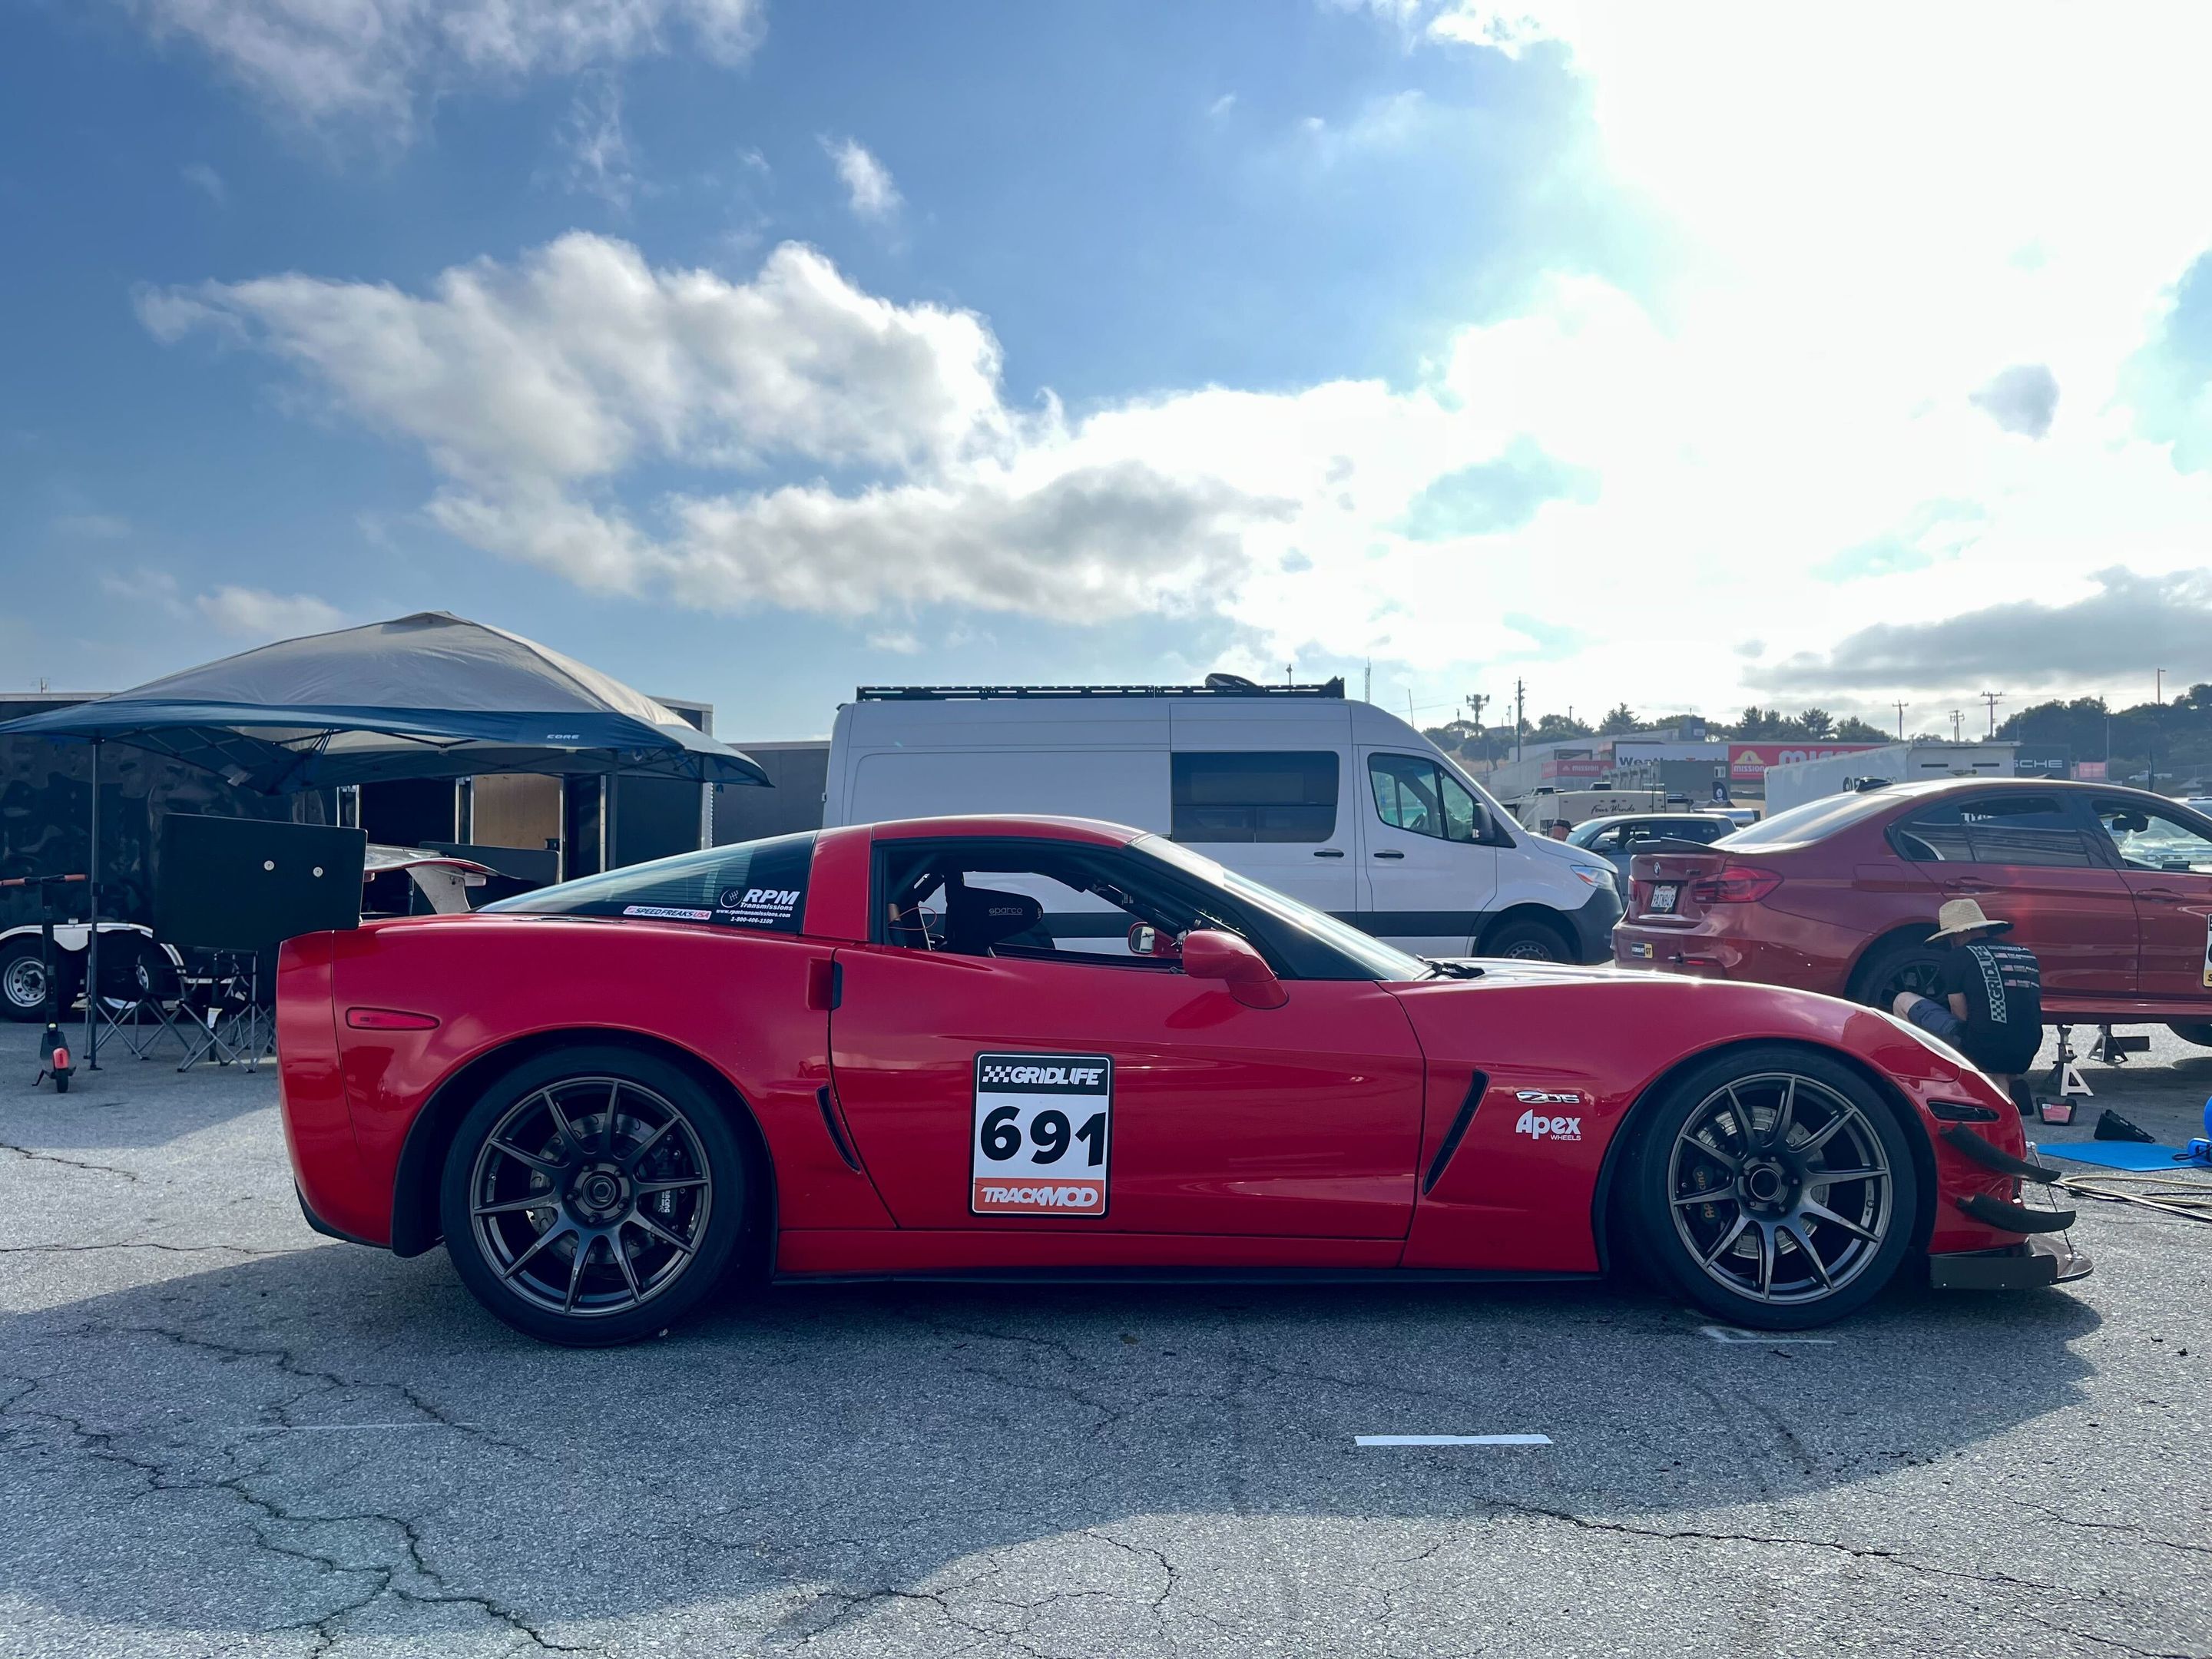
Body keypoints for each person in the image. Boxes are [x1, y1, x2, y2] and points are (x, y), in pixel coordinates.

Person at [1892, 899, 2044, 1111]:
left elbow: (1960, 1016)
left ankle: (1918, 1078)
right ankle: (2005, 1089)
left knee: (1903, 1000)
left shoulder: (1958, 957)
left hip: (1982, 1049)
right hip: (2026, 1049)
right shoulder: (2025, 955)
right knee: (2000, 1036)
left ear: (1958, 934)